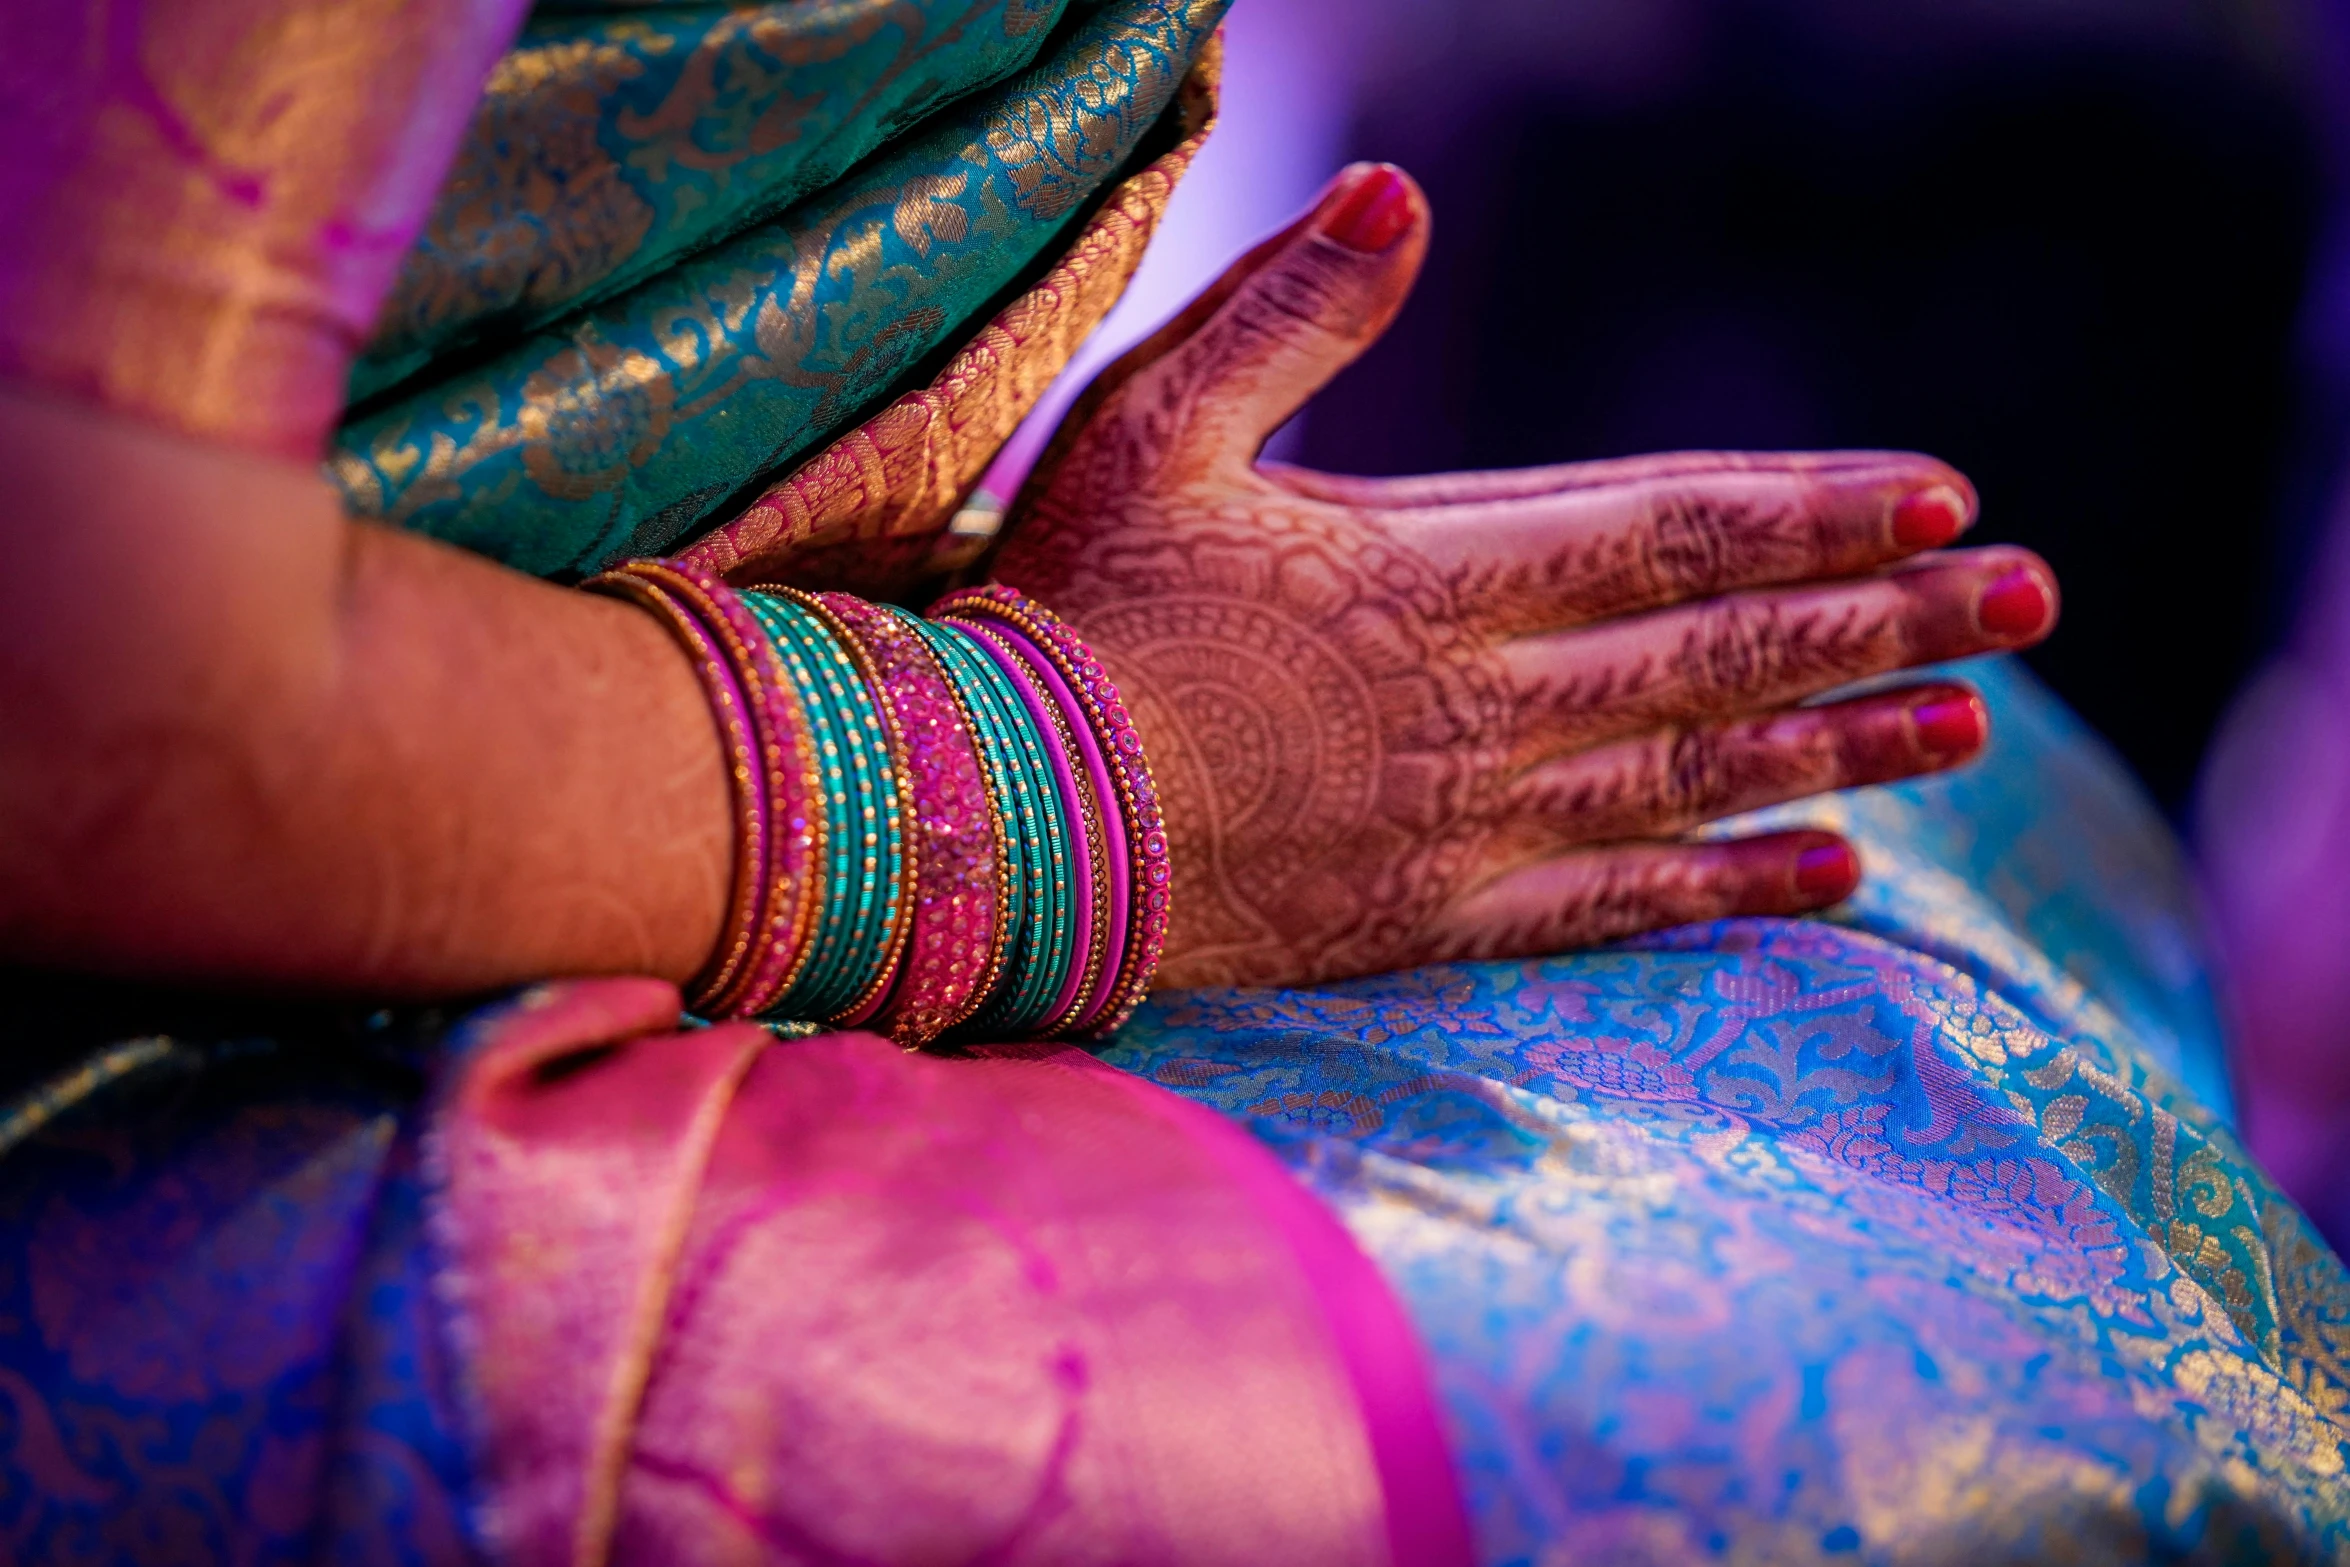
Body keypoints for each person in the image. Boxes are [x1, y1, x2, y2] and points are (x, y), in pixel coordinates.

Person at [0, 0, 2341, 1561]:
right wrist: (1061, 770)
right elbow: (72, 686)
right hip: (141, 1006)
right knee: (1828, 1406)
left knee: (1940, 931)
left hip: (567, 741)